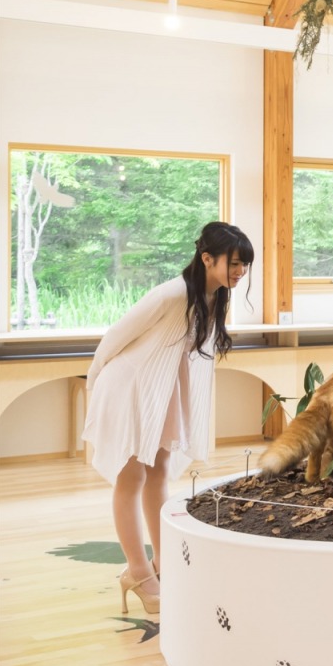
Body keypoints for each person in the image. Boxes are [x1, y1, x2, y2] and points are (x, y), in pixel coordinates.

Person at [83, 222, 253, 615]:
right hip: (129, 388)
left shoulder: (213, 295)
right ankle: (138, 572)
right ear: (207, 258)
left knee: (158, 472)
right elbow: (116, 336)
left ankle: (165, 565)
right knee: (132, 477)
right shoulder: (173, 293)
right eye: (235, 262)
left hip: (160, 390)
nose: (240, 271)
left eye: (245, 264)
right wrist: (95, 384)